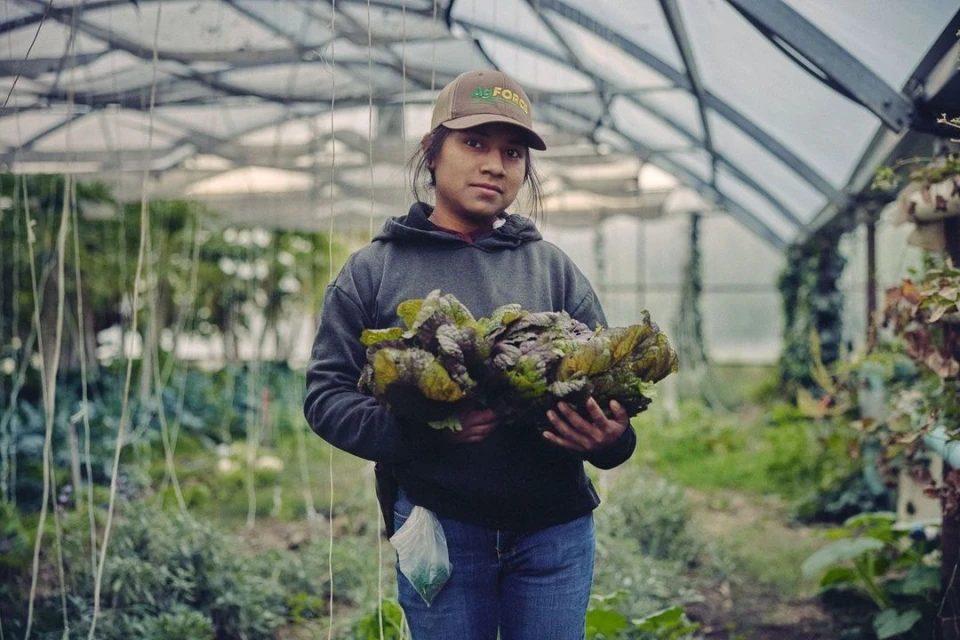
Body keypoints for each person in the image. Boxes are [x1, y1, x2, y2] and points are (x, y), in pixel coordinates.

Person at [303, 69, 636, 639]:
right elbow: (326, 396)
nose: (495, 165)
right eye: (475, 143)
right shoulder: (373, 271)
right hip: (439, 526)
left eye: (512, 153)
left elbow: (611, 393)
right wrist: (423, 431)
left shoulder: (553, 269)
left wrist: (611, 441)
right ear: (432, 152)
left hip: (554, 533)